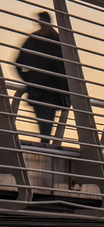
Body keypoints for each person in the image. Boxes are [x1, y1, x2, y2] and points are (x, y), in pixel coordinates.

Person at [16, 10, 69, 144]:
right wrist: (30, 80)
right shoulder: (35, 40)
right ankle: (46, 146)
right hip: (40, 91)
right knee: (45, 123)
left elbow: (68, 68)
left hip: (52, 91)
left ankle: (45, 145)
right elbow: (18, 63)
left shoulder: (57, 41)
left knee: (46, 123)